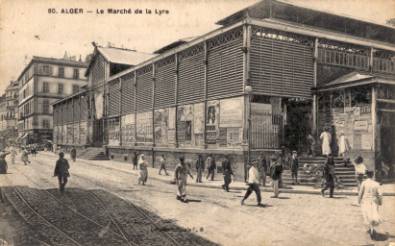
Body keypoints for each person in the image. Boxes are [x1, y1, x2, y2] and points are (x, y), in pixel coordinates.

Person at [358, 170, 383, 239]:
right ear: (373, 175)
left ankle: (371, 229)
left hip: (365, 201)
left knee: (367, 215)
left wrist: (359, 200)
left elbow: (360, 193)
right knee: (373, 215)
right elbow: (380, 194)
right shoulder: (376, 184)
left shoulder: (364, 183)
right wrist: (380, 202)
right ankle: (371, 229)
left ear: (367, 175)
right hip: (374, 201)